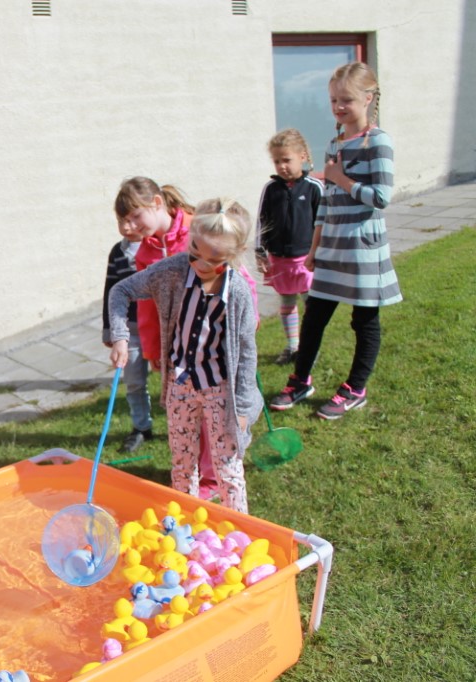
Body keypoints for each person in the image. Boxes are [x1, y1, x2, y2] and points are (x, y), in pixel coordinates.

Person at [108, 199, 262, 513]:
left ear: (234, 255)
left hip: (219, 389)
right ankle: (187, 521)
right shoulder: (173, 271)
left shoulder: (239, 293)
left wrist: (243, 408)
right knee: (181, 462)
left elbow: (246, 355)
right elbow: (120, 292)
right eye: (195, 252)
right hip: (180, 385)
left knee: (228, 466)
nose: (201, 264)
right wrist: (121, 337)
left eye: (214, 259)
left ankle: (239, 530)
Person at [270, 62, 401, 420]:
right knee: (315, 315)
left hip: (362, 246)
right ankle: (300, 381)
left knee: (364, 320)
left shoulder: (379, 142)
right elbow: (325, 203)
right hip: (331, 245)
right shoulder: (334, 142)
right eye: (333, 101)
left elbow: (381, 197)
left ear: (369, 98)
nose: (339, 107)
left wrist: (341, 179)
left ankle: (355, 388)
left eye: (347, 100)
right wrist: (314, 249)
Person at [256, 129, 324, 366]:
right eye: (277, 161)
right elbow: (261, 221)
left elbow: (323, 222)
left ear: (302, 156)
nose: (282, 166)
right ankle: (292, 345)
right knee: (286, 304)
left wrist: (319, 253)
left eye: (287, 160)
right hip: (279, 259)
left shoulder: (314, 187)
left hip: (306, 259)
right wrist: (260, 252)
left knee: (311, 306)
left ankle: (309, 348)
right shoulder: (270, 189)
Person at [101, 179, 153, 454]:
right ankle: (141, 426)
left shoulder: (156, 246)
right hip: (130, 330)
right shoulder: (118, 253)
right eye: (121, 220)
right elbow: (111, 291)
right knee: (134, 381)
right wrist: (110, 329)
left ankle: (181, 427)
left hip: (157, 327)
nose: (126, 227)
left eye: (132, 220)